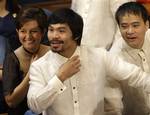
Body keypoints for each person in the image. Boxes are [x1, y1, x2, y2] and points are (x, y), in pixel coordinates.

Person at [27, 8, 150, 115]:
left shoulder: (99, 56)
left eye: (61, 31)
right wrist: (59, 78)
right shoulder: (39, 66)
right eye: (51, 30)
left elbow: (135, 75)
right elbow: (34, 106)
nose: (54, 36)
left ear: (75, 35)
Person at [105, 2, 150, 115]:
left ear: (147, 25)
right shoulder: (113, 57)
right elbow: (113, 102)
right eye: (124, 26)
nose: (130, 31)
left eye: (135, 25)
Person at [2, 7, 50, 115]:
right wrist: (31, 72)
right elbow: (11, 102)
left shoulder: (52, 53)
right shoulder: (12, 59)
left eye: (34, 31)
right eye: (23, 31)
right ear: (17, 31)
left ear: (43, 32)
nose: (28, 37)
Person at [71, 0, 135, 50]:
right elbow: (72, 18)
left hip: (107, 54)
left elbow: (125, 22)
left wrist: (113, 55)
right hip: (79, 52)